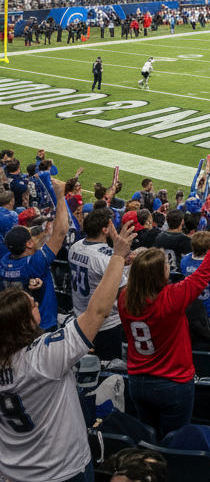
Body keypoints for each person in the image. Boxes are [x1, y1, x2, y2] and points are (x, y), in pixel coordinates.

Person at [0, 218, 134, 482]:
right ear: (25, 321)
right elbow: (97, 312)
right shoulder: (45, 356)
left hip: (12, 470)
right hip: (61, 469)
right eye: (33, 306)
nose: (37, 304)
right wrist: (118, 256)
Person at [118, 211, 210, 437]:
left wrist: (118, 256)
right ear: (158, 274)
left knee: (148, 437)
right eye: (165, 265)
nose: (169, 267)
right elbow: (205, 271)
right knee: (174, 441)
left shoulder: (124, 298)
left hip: (137, 380)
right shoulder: (171, 298)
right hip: (171, 381)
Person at [1, 179, 70, 331]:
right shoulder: (34, 264)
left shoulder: (5, 262)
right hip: (42, 324)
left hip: (19, 323)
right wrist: (60, 197)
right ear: (29, 244)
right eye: (30, 235)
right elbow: (60, 232)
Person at [67, 208, 130, 361]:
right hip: (107, 324)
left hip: (80, 316)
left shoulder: (76, 246)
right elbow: (124, 292)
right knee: (108, 366)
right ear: (105, 230)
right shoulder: (105, 258)